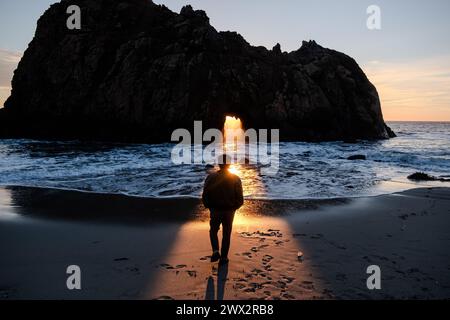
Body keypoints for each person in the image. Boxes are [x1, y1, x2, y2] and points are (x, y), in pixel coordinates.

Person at [202, 154, 244, 265]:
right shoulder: (235, 178)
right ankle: (224, 257)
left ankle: (215, 250)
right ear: (229, 164)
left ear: (219, 164)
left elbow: (205, 193)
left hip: (215, 209)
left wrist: (208, 206)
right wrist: (235, 207)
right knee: (226, 233)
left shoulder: (211, 177)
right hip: (229, 210)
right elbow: (240, 198)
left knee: (213, 231)